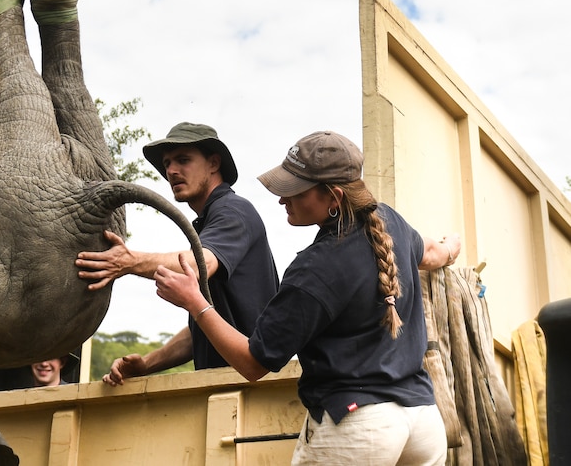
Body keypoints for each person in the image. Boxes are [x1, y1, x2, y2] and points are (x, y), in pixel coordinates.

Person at [153, 130, 460, 464]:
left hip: (359, 427)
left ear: (334, 197)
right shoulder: (389, 221)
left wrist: (195, 302)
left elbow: (254, 363)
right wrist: (451, 247)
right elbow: (429, 252)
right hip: (424, 421)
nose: (282, 199)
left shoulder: (315, 267)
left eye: (293, 191)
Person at [76, 122, 279, 385]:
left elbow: (198, 264)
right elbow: (205, 324)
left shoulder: (233, 210)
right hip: (230, 390)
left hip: (255, 393)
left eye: (183, 160)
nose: (171, 171)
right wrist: (147, 364)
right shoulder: (210, 222)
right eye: (167, 163)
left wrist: (128, 262)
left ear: (214, 163)